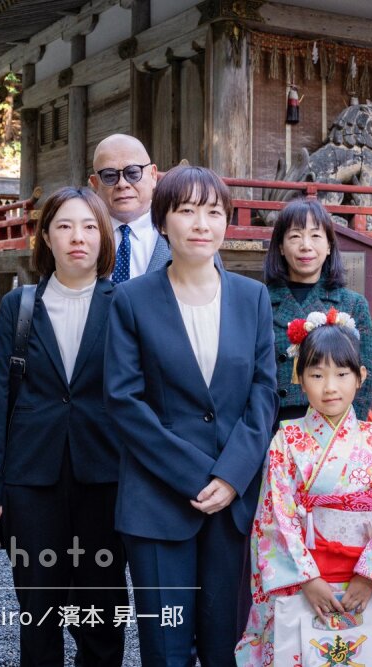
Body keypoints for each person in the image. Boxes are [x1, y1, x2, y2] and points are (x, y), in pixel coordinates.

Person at [103, 165, 278, 666]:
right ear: (162, 222)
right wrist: (198, 475)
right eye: (186, 210)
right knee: (166, 649)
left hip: (233, 503)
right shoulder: (132, 300)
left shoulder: (252, 297)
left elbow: (262, 394)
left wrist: (231, 475)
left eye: (214, 211)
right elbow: (123, 400)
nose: (202, 223)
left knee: (227, 646)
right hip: (157, 502)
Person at [0, 186, 126, 666]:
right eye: (64, 226)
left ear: (104, 238)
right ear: (47, 238)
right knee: (39, 603)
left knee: (102, 601)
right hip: (32, 478)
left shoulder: (126, 304)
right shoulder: (22, 306)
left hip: (106, 475)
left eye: (89, 226)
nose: (77, 237)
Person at [234, 311, 372, 666]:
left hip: (363, 580)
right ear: (300, 379)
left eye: (341, 374)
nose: (330, 387)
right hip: (305, 578)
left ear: (362, 377)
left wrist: (369, 577)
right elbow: (276, 518)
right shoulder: (286, 440)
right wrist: (307, 578)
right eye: (317, 375)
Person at [264, 198, 372, 423]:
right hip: (274, 424)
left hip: (335, 424)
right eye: (295, 236)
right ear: (280, 247)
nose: (306, 245)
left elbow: (365, 377)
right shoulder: (260, 300)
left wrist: (349, 429)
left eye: (315, 236)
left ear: (329, 247)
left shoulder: (352, 304)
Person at [89, 133, 170, 282]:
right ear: (95, 184)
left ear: (153, 175)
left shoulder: (181, 233)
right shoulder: (79, 237)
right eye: (109, 176)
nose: (122, 184)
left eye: (132, 172)